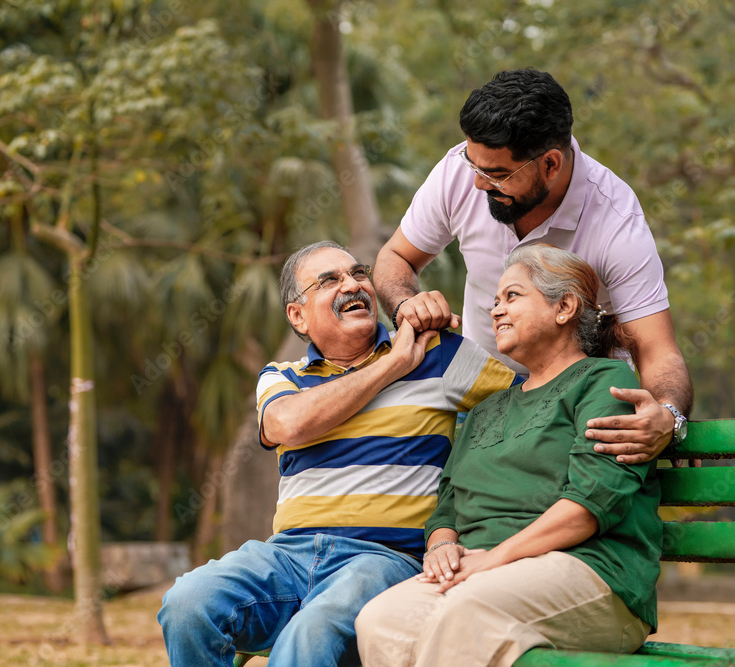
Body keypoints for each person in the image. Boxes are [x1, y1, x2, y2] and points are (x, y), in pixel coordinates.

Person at [158, 241, 518, 667]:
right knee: (186, 603)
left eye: (359, 273)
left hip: (385, 558)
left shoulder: (437, 354)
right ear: (298, 315)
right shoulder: (282, 377)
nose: (353, 284)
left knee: (312, 630)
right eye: (330, 280)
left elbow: (534, 398)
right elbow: (287, 425)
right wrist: (394, 364)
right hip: (287, 555)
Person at [355, 243, 663, 667]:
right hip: (481, 573)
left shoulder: (604, 383)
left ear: (565, 307)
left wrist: (494, 560)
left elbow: (590, 505)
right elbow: (447, 506)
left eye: (512, 297)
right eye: (494, 301)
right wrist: (442, 546)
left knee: (467, 614)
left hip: (592, 572)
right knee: (380, 620)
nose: (495, 311)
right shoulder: (488, 409)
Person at [374, 67, 692, 465]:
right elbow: (395, 258)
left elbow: (657, 350)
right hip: (476, 396)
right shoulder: (461, 170)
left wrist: (667, 416)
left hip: (576, 407)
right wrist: (406, 303)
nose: (478, 184)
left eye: (498, 174)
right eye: (474, 165)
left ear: (551, 164)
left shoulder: (614, 218)